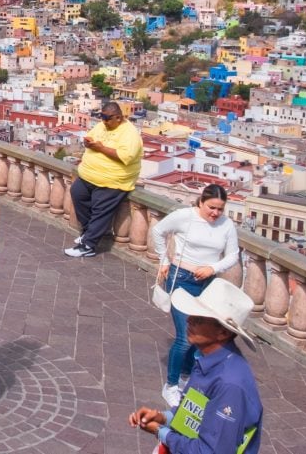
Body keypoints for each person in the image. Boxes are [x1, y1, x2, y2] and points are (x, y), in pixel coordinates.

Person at [128, 279, 263, 454]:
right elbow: (192, 414)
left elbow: (210, 451)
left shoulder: (230, 385)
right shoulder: (208, 359)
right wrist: (162, 417)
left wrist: (160, 432)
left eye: (199, 319)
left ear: (223, 332)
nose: (189, 320)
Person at [152, 184, 240, 408]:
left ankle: (185, 376)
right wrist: (164, 259)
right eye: (212, 207)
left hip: (206, 284)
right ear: (201, 201)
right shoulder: (184, 217)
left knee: (199, 335)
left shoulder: (227, 225)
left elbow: (233, 255)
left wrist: (213, 267)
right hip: (181, 278)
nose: (215, 213)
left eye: (220, 209)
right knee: (185, 337)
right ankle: (171, 385)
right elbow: (158, 231)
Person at [64, 101, 143, 258]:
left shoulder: (130, 134)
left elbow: (125, 157)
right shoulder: (102, 125)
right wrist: (88, 142)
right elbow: (92, 137)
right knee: (77, 193)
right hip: (89, 175)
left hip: (112, 181)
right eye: (102, 117)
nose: (104, 121)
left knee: (101, 210)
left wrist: (100, 148)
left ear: (118, 118)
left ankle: (88, 245)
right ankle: (89, 232)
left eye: (107, 118)